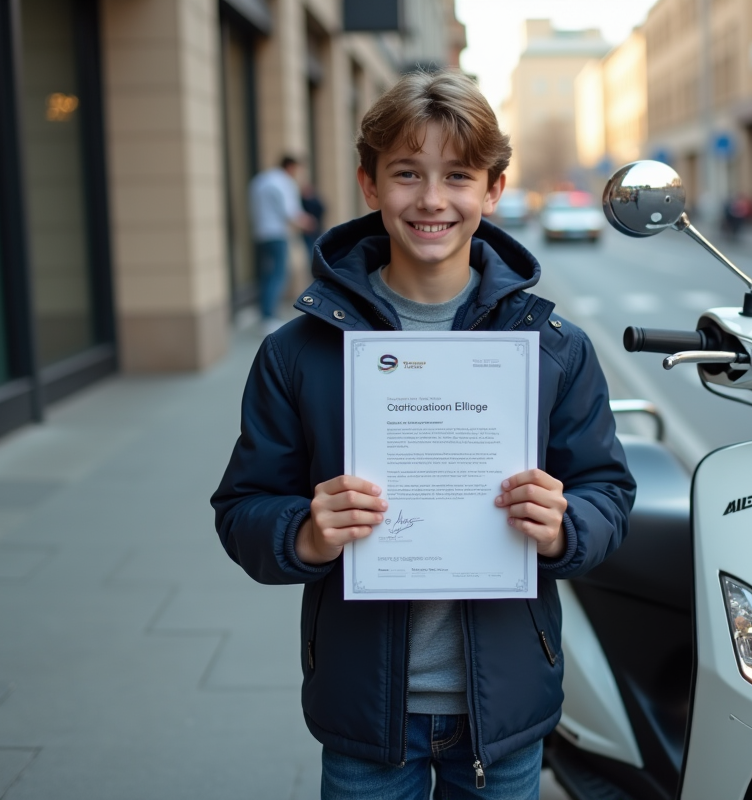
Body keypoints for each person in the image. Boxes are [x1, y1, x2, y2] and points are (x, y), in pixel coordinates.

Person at [211, 70, 635, 799]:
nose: (432, 200)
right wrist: (304, 533)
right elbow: (242, 508)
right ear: (369, 186)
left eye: (458, 177)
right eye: (407, 173)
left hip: (502, 710)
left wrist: (567, 526)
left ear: (493, 190)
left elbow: (609, 493)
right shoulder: (300, 352)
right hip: (366, 715)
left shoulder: (553, 348)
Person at [249, 155, 313, 333]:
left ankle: (265, 313)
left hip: (260, 234)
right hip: (277, 234)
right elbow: (290, 212)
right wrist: (307, 222)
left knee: (266, 276)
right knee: (277, 276)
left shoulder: (261, 180)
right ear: (291, 167)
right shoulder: (284, 182)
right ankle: (268, 317)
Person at [301, 181, 326, 267]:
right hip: (307, 232)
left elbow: (323, 209)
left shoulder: (314, 201)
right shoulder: (303, 201)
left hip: (316, 230)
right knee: (310, 252)